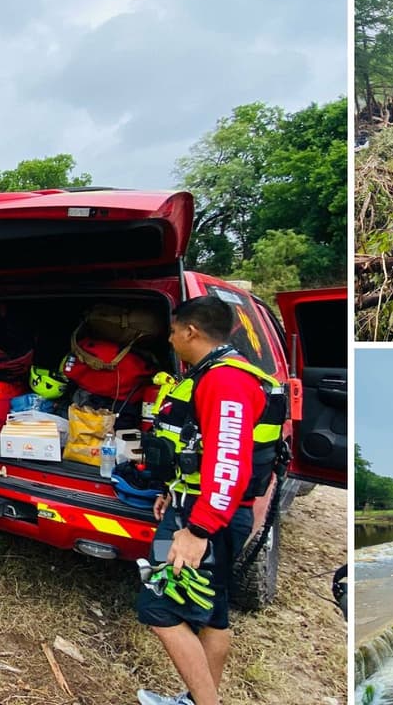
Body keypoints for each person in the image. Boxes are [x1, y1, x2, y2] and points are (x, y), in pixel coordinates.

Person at [137, 296, 286, 705]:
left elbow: (228, 464)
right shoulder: (217, 374)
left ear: (191, 331)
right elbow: (204, 449)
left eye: (172, 331)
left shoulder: (225, 381)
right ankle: (194, 699)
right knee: (214, 613)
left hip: (206, 521)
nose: (171, 338)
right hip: (199, 508)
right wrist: (175, 491)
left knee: (157, 608)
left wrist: (197, 529)